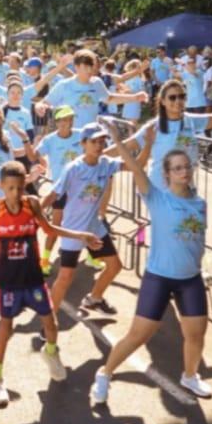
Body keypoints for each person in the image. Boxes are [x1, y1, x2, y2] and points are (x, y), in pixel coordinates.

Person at [92, 131, 212, 405]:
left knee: (196, 334)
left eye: (187, 167)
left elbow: (198, 239)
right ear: (167, 174)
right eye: (177, 168)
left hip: (190, 279)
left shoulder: (200, 204)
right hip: (159, 278)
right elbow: (134, 166)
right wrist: (117, 137)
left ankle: (190, 376)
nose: (184, 171)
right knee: (138, 335)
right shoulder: (157, 197)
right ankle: (105, 373)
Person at [0, 161, 100, 406]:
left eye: (20, 187)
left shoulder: (32, 204)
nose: (16, 193)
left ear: (26, 183)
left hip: (33, 279)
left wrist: (81, 235)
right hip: (7, 282)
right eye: (10, 188)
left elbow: (49, 229)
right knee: (5, 328)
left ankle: (50, 353)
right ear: (1, 186)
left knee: (50, 322)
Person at [42, 122, 126, 315]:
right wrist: (34, 211)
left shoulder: (107, 164)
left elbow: (136, 165)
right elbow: (54, 194)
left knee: (114, 266)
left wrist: (140, 143)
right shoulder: (73, 168)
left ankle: (94, 299)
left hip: (94, 227)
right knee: (65, 277)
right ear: (83, 143)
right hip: (74, 230)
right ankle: (48, 322)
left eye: (102, 141)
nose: (99, 145)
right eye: (94, 141)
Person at [42, 50, 148, 129]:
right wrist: (40, 106)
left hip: (91, 135)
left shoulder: (97, 82)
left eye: (91, 67)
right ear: (76, 67)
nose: (89, 70)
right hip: (70, 135)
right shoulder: (64, 85)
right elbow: (46, 102)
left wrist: (135, 97)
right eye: (85, 67)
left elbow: (109, 98)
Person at [35, 106, 83, 275]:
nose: (66, 123)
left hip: (79, 189)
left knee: (86, 222)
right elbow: (35, 154)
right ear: (56, 122)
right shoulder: (49, 140)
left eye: (69, 119)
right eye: (62, 119)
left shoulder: (81, 135)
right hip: (60, 190)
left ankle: (93, 255)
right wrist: (41, 162)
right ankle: (45, 260)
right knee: (55, 226)